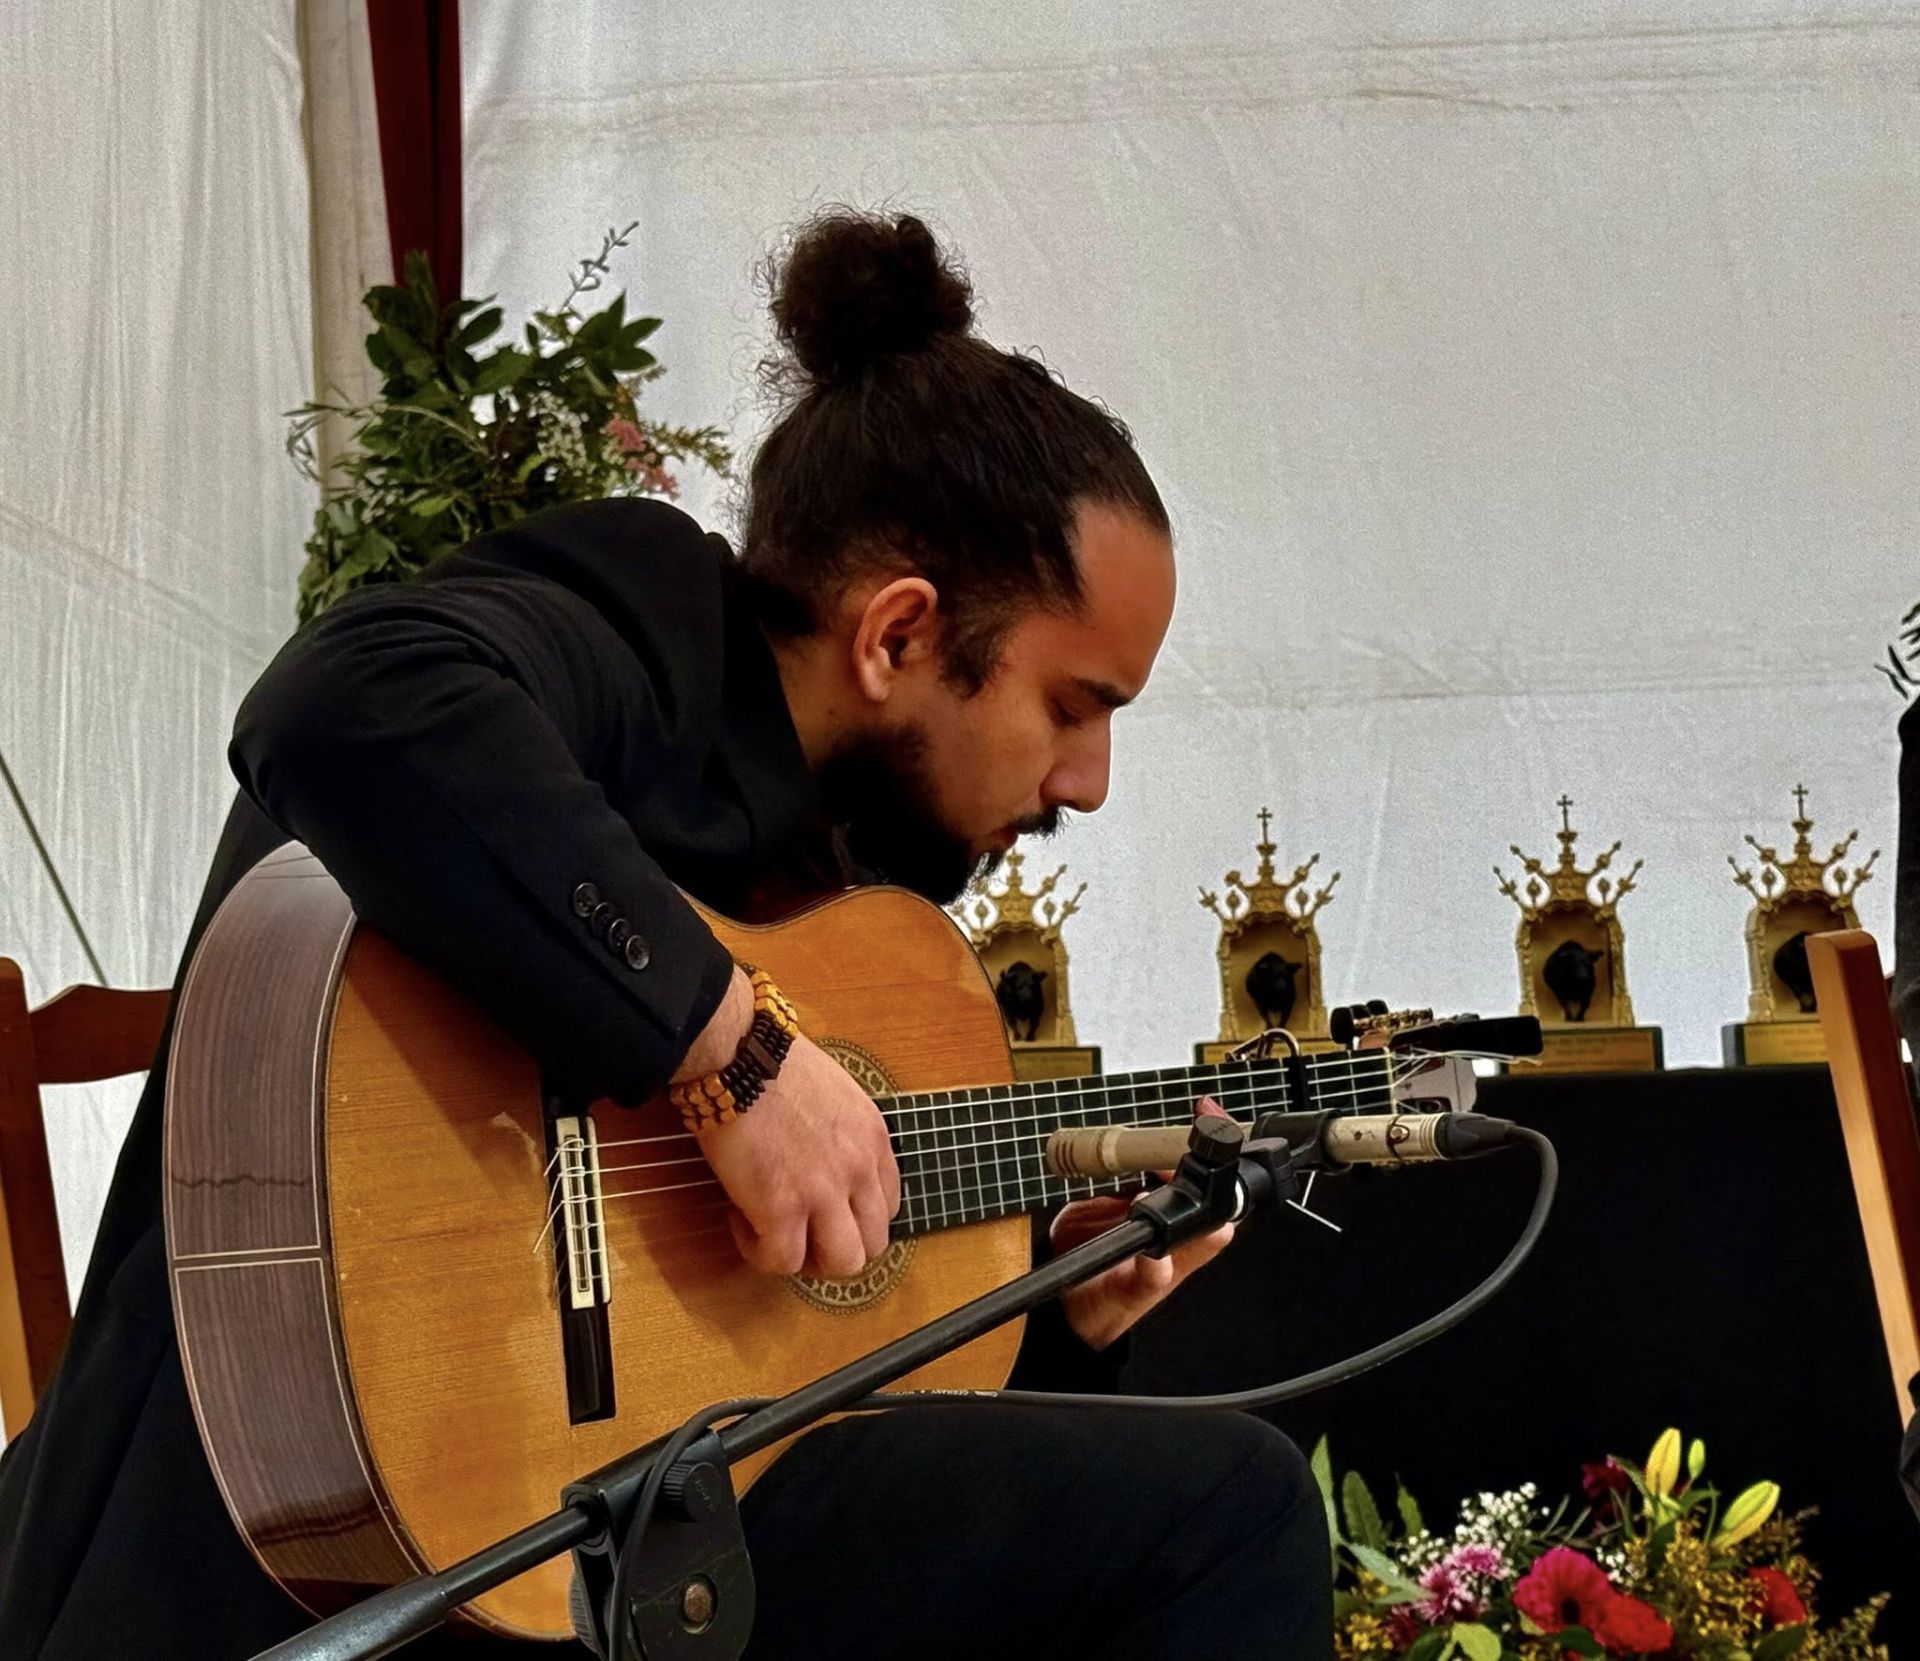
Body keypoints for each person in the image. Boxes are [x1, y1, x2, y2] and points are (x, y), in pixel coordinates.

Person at [0, 211, 1331, 1658]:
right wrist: (733, 1053)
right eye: (1075, 706)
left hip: (616, 1540)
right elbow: (340, 703)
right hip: (296, 1561)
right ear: (896, 634)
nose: (1088, 783)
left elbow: (809, 1393)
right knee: (1235, 1511)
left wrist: (1066, 1304)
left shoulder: (842, 891)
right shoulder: (648, 627)